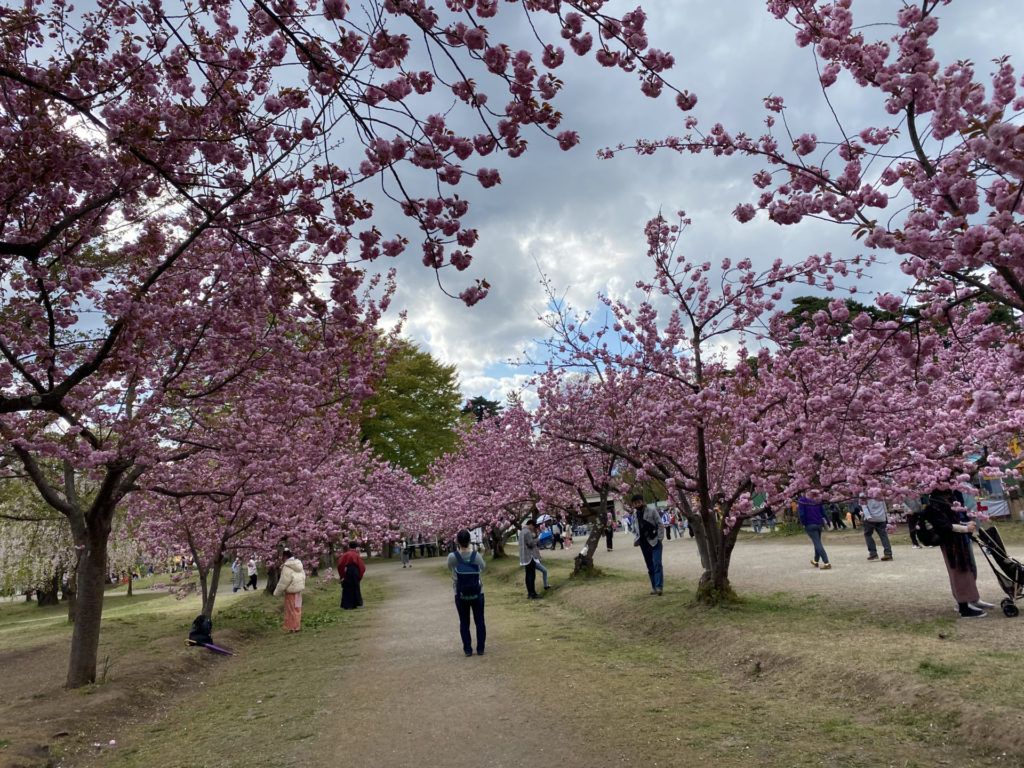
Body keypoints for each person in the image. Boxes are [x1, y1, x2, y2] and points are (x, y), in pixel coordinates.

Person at [923, 489, 993, 618]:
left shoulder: (946, 500)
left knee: (966, 571)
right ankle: (963, 607)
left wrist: (965, 524)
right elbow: (945, 526)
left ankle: (970, 600)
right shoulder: (936, 504)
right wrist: (965, 528)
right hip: (951, 543)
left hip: (958, 541)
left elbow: (952, 521)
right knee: (958, 573)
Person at [447, 529, 487, 656]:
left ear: (457, 541)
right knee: (479, 621)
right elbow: (483, 567)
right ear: (470, 541)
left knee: (464, 622)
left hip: (460, 593)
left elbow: (450, 568)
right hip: (477, 592)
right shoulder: (476, 555)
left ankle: (468, 649)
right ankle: (480, 648)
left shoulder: (452, 557)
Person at [631, 494, 664, 595]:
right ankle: (654, 587)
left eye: (639, 502)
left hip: (655, 542)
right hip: (643, 543)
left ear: (643, 501)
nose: (638, 504)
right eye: (635, 503)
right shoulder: (634, 515)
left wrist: (659, 538)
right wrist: (636, 536)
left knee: (657, 563)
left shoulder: (652, 510)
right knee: (650, 566)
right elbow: (633, 528)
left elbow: (660, 524)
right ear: (633, 505)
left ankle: (659, 587)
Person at [272, 549, 306, 632]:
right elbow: (303, 576)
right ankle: (297, 626)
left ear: (285, 556)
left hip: (291, 591)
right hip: (298, 591)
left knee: (290, 610)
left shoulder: (287, 567)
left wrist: (276, 592)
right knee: (297, 609)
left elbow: (284, 581)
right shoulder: (299, 564)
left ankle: (292, 627)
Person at [797, 495, 831, 570]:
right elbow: (823, 511)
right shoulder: (817, 498)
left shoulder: (802, 500)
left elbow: (802, 513)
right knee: (817, 542)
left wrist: (803, 523)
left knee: (817, 543)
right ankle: (816, 561)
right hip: (819, 524)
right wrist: (828, 521)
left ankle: (826, 562)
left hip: (810, 524)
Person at [337, 541, 365, 610]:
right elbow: (362, 566)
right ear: (356, 547)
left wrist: (342, 574)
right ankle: (355, 604)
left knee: (347, 587)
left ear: (349, 546)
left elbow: (340, 564)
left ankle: (347, 605)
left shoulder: (345, 554)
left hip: (348, 572)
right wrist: (359, 574)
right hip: (355, 572)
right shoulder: (356, 555)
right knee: (355, 587)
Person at [518, 519, 542, 599]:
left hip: (524, 556)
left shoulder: (522, 532)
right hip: (530, 556)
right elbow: (530, 543)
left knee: (528, 575)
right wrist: (537, 540)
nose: (533, 528)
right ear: (531, 525)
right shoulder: (527, 532)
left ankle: (530, 593)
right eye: (533, 527)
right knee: (532, 575)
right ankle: (532, 593)